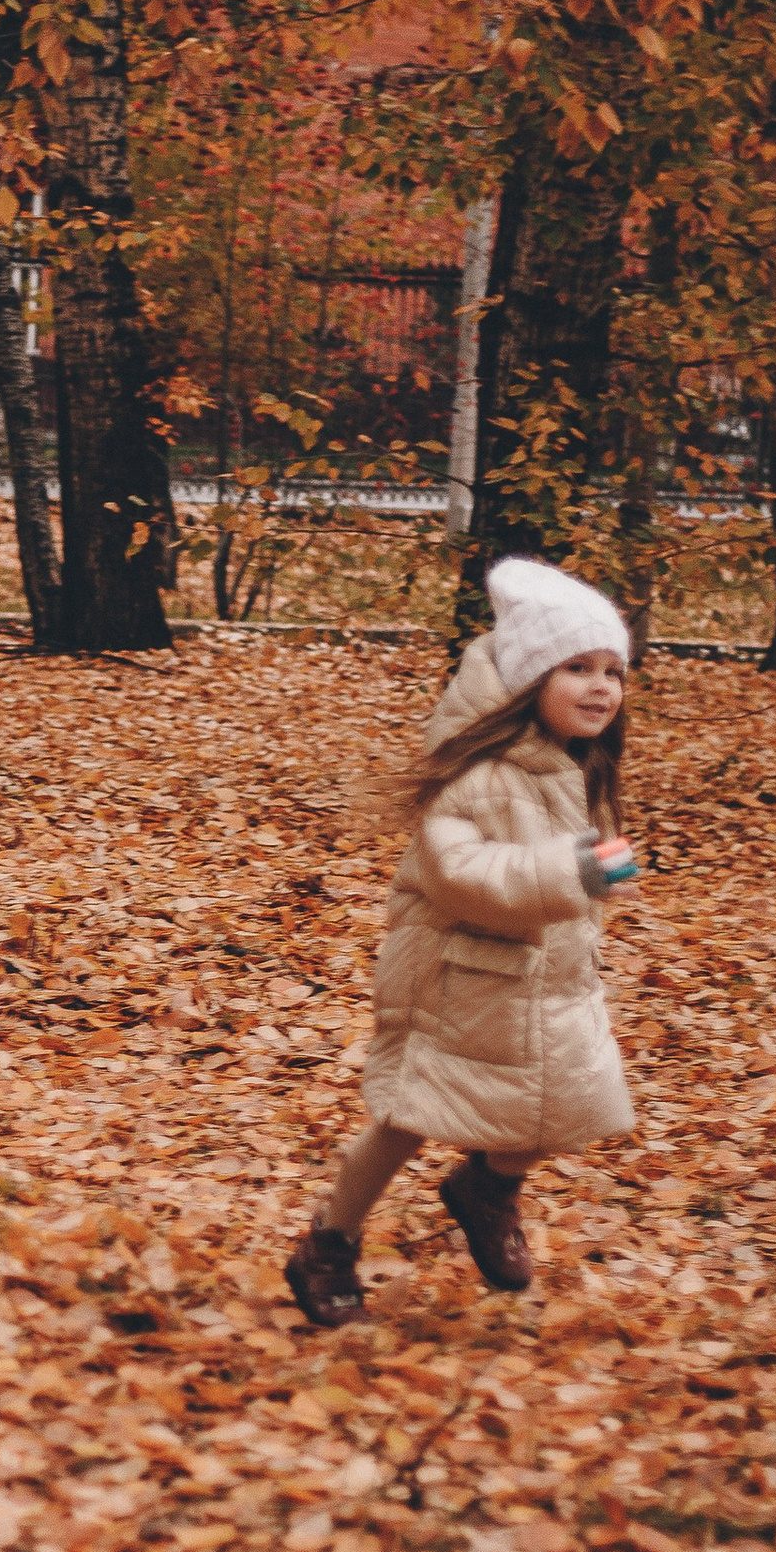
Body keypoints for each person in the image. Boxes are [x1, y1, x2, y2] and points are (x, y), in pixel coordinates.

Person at [284, 558, 642, 1328]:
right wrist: (574, 870)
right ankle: (329, 1242)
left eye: (612, 670)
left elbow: (570, 870)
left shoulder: (577, 765)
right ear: (527, 678)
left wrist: (597, 872)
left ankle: (486, 1188)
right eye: (577, 667)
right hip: (456, 977)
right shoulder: (475, 771)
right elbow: (459, 874)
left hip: (545, 980)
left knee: (561, 1102)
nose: (601, 687)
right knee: (407, 1119)